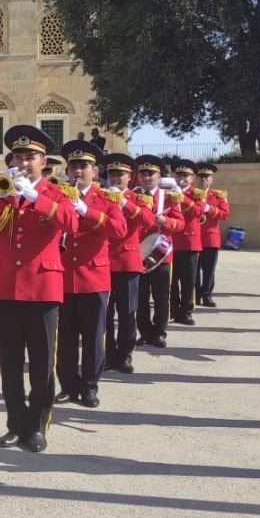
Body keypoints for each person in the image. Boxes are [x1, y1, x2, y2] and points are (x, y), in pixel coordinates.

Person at [0, 125, 74, 452]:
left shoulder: (55, 193)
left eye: (30, 157)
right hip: (4, 286)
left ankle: (37, 426)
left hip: (41, 287)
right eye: (18, 157)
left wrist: (36, 198)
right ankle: (15, 424)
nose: (24, 163)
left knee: (41, 364)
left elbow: (72, 223)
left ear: (43, 162)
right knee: (9, 364)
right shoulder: (0, 190)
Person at [53, 141, 126, 407]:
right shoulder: (57, 195)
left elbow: (119, 230)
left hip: (93, 277)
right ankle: (68, 384)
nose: (77, 171)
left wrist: (87, 211)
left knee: (94, 336)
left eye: (84, 166)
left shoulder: (107, 199)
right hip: (63, 276)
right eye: (73, 166)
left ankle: (90, 385)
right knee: (66, 337)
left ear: (94, 172)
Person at [101, 153, 155, 373]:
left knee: (127, 312)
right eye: (112, 174)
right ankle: (107, 353)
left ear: (129, 177)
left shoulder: (138, 199)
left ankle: (124, 354)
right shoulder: (101, 196)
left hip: (127, 261)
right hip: (103, 261)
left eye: (120, 175)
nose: (115, 179)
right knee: (104, 313)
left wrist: (123, 202)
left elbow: (149, 221)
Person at [133, 154, 184, 349]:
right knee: (141, 298)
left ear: (158, 175)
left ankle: (160, 332)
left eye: (151, 173)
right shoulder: (132, 196)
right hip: (137, 254)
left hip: (161, 255)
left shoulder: (169, 197)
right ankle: (144, 332)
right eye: (143, 173)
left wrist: (166, 221)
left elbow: (180, 224)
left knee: (162, 297)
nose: (147, 177)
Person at [168, 160, 205, 326]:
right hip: (171, 241)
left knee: (189, 281)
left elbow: (198, 212)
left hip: (189, 242)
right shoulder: (167, 192)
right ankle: (173, 309)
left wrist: (182, 197)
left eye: (186, 175)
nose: (181, 178)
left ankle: (186, 311)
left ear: (193, 178)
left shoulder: (197, 193)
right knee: (171, 280)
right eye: (179, 175)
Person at [195, 164, 229, 307]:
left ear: (211, 179)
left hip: (210, 238)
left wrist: (208, 208)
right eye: (201, 176)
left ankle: (207, 295)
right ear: (196, 178)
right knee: (194, 270)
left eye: (207, 177)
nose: (204, 180)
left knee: (209, 270)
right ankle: (195, 295)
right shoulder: (190, 194)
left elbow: (225, 214)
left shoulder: (218, 195)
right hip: (194, 237)